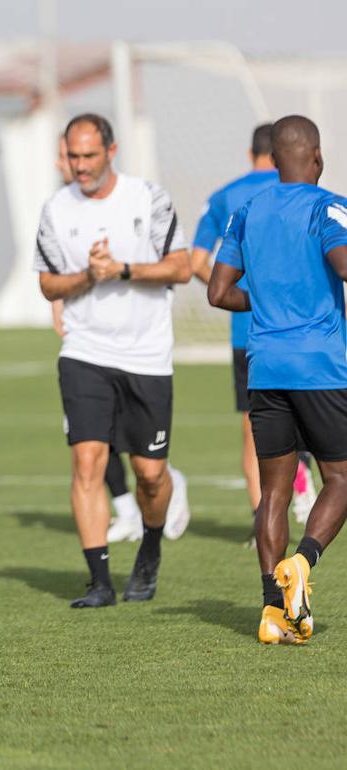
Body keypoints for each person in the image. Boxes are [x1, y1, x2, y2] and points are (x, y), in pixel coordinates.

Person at [34, 113, 192, 609]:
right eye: (73, 156)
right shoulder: (56, 209)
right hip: (85, 352)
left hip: (147, 355)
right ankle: (99, 580)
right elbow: (47, 283)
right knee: (87, 462)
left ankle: (149, 549)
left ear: (111, 151)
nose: (79, 166)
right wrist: (86, 277)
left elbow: (182, 267)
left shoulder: (149, 197)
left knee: (149, 474)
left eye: (89, 156)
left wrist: (121, 269)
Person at [208, 115, 347, 645]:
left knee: (273, 493)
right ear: (315, 156)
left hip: (264, 366)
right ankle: (303, 564)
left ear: (272, 159)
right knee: (340, 478)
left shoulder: (246, 211)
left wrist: (266, 301)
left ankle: (272, 613)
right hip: (320, 367)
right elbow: (343, 263)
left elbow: (219, 292)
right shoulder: (326, 206)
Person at [192, 123, 318, 531]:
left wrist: (229, 289)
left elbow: (196, 261)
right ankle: (304, 466)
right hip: (306, 328)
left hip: (248, 332)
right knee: (315, 411)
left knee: (254, 431)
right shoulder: (307, 195)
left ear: (252, 154)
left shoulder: (227, 197)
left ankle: (261, 519)